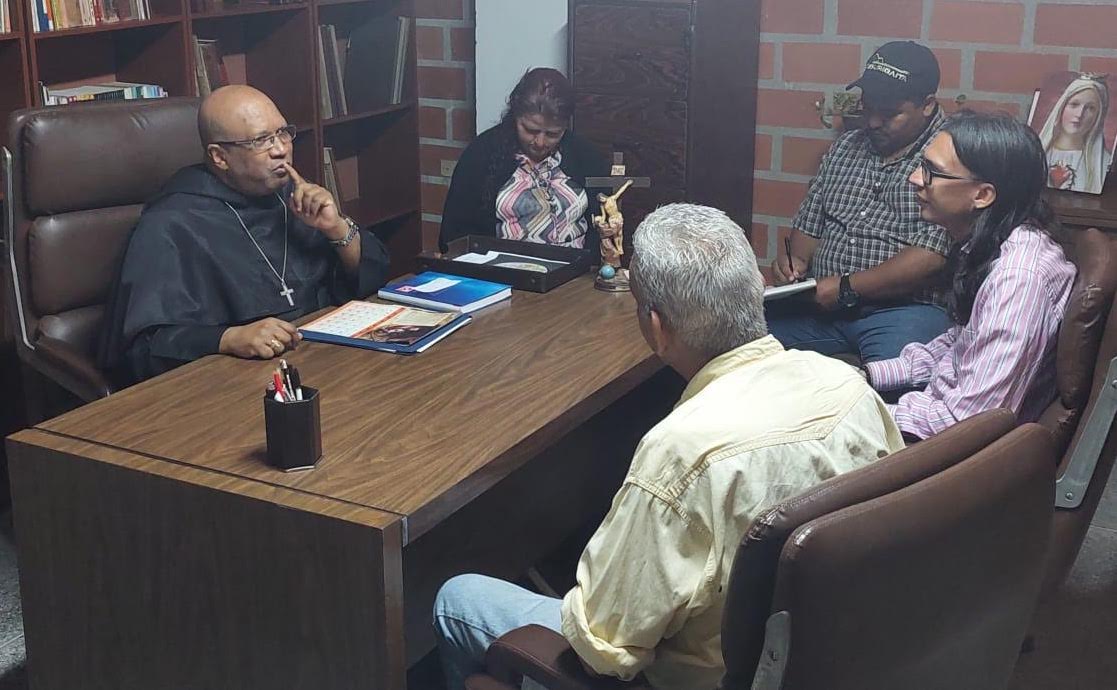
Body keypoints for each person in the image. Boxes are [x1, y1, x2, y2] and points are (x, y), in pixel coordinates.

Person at [432, 204, 905, 690]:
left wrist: (588, 585)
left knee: (457, 597)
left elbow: (604, 648)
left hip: (703, 678)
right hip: (823, 652)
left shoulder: (680, 454)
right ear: (756, 292)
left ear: (656, 326)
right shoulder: (848, 386)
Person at [99, 85, 390, 384]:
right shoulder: (171, 222)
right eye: (261, 140)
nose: (281, 149)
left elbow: (372, 280)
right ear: (219, 157)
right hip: (230, 385)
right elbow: (141, 350)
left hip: (325, 362)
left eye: (283, 133)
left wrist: (336, 227)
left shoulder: (292, 195)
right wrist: (229, 338)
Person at [865, 111, 1076, 440]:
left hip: (948, 459)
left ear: (982, 196)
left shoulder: (1018, 280)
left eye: (933, 172)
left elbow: (964, 425)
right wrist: (867, 377)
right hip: (936, 421)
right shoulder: (997, 243)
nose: (915, 179)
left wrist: (857, 411)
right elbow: (961, 345)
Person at [768, 41, 953, 364]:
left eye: (889, 113)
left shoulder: (950, 156)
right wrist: (793, 264)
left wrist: (847, 288)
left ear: (926, 105)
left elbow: (932, 256)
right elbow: (809, 228)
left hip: (905, 310)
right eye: (868, 108)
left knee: (895, 377)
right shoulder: (846, 148)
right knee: (744, 348)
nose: (873, 122)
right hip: (822, 305)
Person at [439, 67, 608, 251]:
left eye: (552, 134)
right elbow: (454, 234)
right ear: (516, 115)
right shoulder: (481, 154)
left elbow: (604, 228)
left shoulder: (586, 156)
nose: (540, 142)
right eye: (530, 130)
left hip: (576, 272)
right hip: (500, 270)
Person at [1037, 73, 1112, 194]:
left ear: (1098, 116)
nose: (1079, 114)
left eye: (1090, 108)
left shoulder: (1104, 163)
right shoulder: (1037, 154)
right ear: (1062, 108)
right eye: (1074, 105)